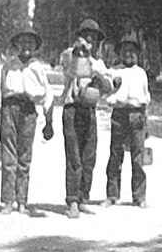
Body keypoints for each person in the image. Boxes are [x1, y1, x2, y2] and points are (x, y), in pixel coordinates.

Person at [0, 30, 55, 215]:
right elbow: (0, 91)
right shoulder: (9, 66)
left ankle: (22, 201)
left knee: (25, 156)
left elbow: (47, 94)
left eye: (30, 43)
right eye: (22, 42)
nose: (26, 46)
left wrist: (49, 121)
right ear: (16, 45)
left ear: (35, 47)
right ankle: (8, 200)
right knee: (8, 155)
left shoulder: (38, 68)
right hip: (10, 109)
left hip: (28, 111)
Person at [57, 19, 113, 218]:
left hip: (89, 111)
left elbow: (108, 87)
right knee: (74, 156)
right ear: (79, 36)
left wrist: (102, 80)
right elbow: (70, 68)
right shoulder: (69, 54)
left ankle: (82, 198)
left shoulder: (99, 63)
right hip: (72, 109)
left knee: (89, 156)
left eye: (94, 37)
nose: (90, 39)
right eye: (86, 35)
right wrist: (81, 53)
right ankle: (71, 200)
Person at [103, 34, 151, 209]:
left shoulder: (141, 74)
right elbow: (104, 89)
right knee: (116, 155)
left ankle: (139, 196)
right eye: (125, 51)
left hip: (137, 115)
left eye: (132, 51)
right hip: (119, 114)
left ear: (138, 54)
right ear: (119, 53)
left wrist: (146, 123)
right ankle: (112, 195)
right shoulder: (114, 71)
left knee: (138, 157)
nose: (128, 54)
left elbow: (146, 99)